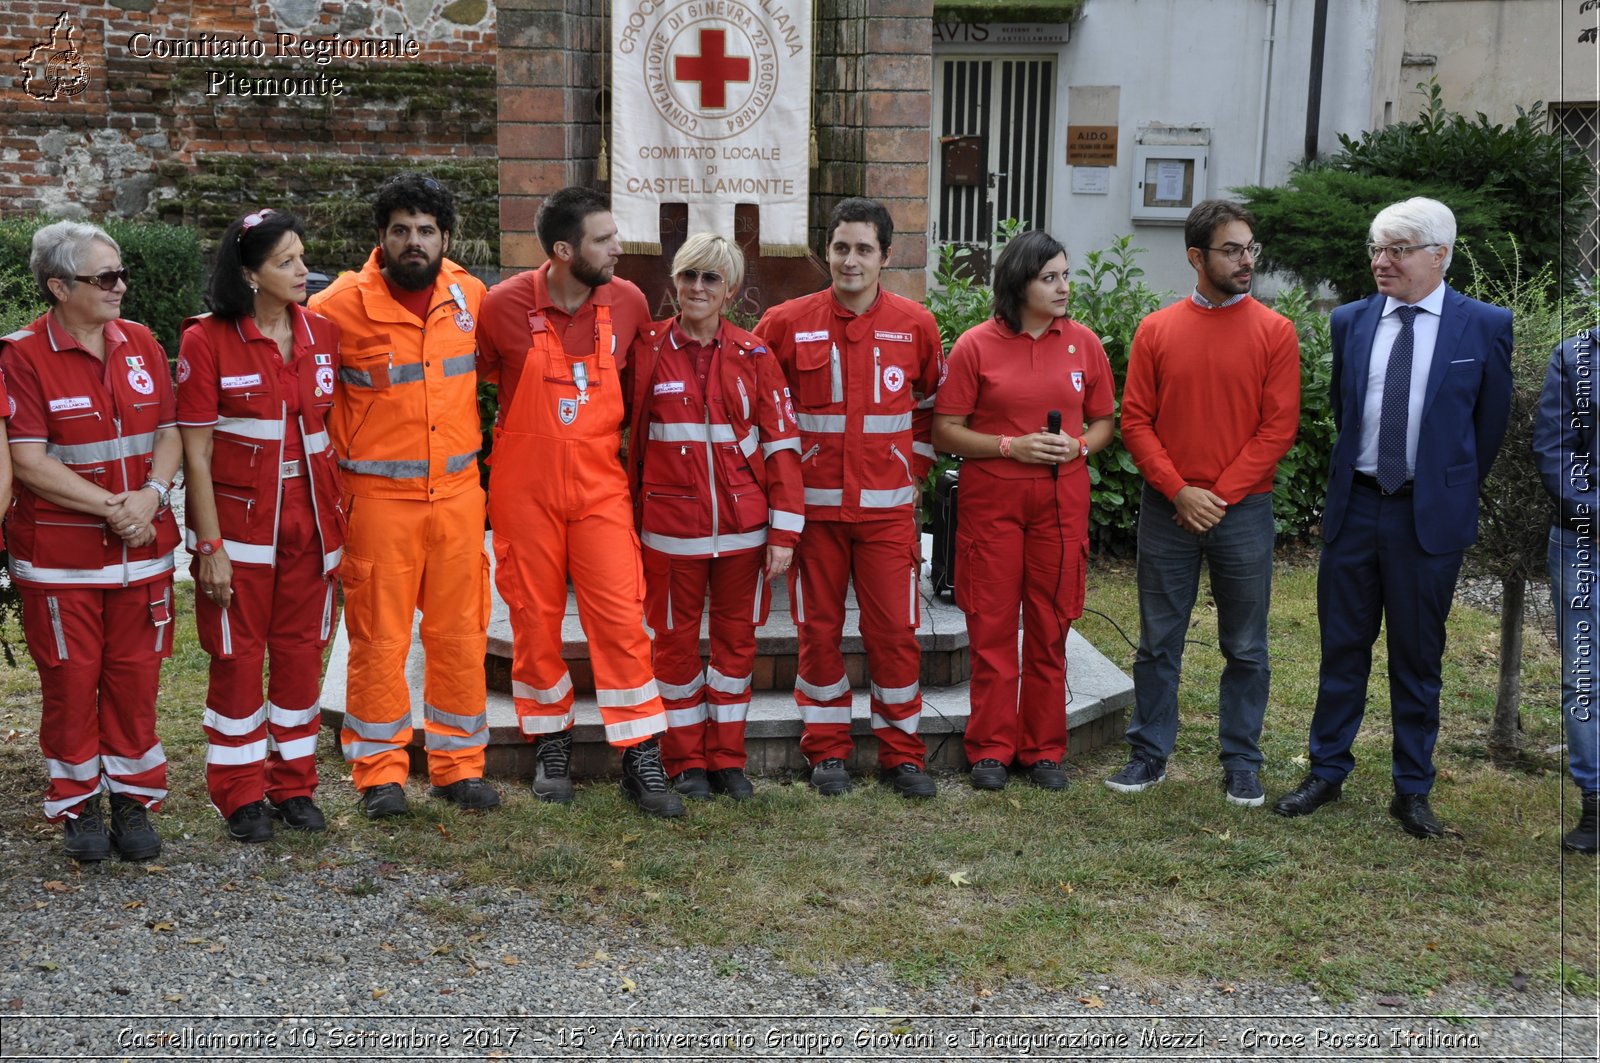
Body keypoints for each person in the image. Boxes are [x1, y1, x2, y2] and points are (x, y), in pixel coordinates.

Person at [1275, 197, 1513, 838]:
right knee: (1341, 649)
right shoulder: (1351, 321)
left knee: (1417, 657)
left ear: (1440, 254)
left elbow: (1484, 429)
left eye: (1398, 250)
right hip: (1355, 511)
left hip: (1425, 520)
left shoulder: (1484, 325)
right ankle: (1326, 771)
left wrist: (1440, 488)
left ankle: (1412, 790)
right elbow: (1344, 411)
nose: (1382, 262)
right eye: (1376, 249)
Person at [477, 186, 678, 817]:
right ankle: (551, 741)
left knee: (621, 620)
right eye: (604, 239)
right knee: (534, 621)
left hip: (599, 487)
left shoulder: (629, 302)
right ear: (564, 251)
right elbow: (477, 381)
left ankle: (640, 752)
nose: (619, 249)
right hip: (524, 491)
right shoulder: (502, 306)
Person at [309, 172, 500, 818]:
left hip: (457, 498)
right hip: (377, 504)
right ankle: (380, 771)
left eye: (425, 231)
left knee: (460, 634)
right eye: (401, 231)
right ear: (380, 238)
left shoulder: (470, 295)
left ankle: (457, 766)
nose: (413, 242)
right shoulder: (336, 306)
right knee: (379, 640)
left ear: (446, 237)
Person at [1108, 201, 1301, 807]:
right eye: (1232, 250)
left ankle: (1242, 761)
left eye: (1251, 249)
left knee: (1245, 645)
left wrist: (1215, 497)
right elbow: (1135, 421)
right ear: (1197, 257)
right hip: (1170, 508)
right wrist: (1179, 490)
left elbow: (1278, 429)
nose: (1246, 260)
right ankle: (1148, 754)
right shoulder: (1157, 330)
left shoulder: (1275, 331)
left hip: (1241, 511)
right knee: (1157, 640)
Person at [754, 198, 944, 799]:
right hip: (814, 517)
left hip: (887, 515)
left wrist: (908, 469)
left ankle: (903, 754)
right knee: (818, 631)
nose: (851, 260)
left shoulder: (916, 324)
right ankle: (827, 751)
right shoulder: (786, 323)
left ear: (886, 256)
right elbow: (760, 406)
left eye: (864, 249)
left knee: (895, 634)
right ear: (826, 252)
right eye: (841, 247)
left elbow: (930, 409)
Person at [2, 220, 180, 861]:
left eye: (121, 272)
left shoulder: (141, 344)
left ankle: (132, 802)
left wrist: (152, 498)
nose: (121, 287)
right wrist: (114, 507)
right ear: (57, 286)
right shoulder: (20, 357)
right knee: (71, 684)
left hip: (142, 553)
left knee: (135, 681)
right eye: (104, 277)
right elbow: (27, 460)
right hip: (62, 562)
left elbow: (168, 430)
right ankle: (77, 806)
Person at [177, 208, 345, 843]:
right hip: (241, 533)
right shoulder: (205, 340)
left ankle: (294, 784)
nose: (304, 271)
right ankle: (241, 792)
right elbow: (194, 452)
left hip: (312, 529)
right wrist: (209, 546)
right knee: (238, 659)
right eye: (287, 262)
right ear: (249, 274)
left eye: (302, 256)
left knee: (301, 657)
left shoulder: (322, 334)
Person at [623, 233, 806, 801]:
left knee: (735, 650)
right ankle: (685, 763)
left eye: (710, 278)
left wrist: (784, 532)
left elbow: (782, 446)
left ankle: (728, 760)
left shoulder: (755, 355)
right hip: (669, 534)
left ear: (729, 291)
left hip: (745, 533)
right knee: (674, 650)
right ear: (673, 282)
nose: (696, 288)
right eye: (687, 276)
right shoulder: (646, 347)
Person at [931, 230, 1114, 791]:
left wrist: (1079, 445)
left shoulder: (1083, 344)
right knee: (990, 629)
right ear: (1019, 283)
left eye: (1065, 274)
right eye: (1049, 277)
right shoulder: (976, 346)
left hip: (1060, 507)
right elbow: (945, 430)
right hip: (993, 507)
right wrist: (1011, 446)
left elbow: (1105, 421)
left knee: (1050, 626)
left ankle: (1042, 748)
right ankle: (989, 749)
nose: (1063, 286)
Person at [1533, 328, 1600, 854]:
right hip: (1584, 542)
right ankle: (1595, 806)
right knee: (1585, 678)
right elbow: (1556, 450)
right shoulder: (1577, 356)